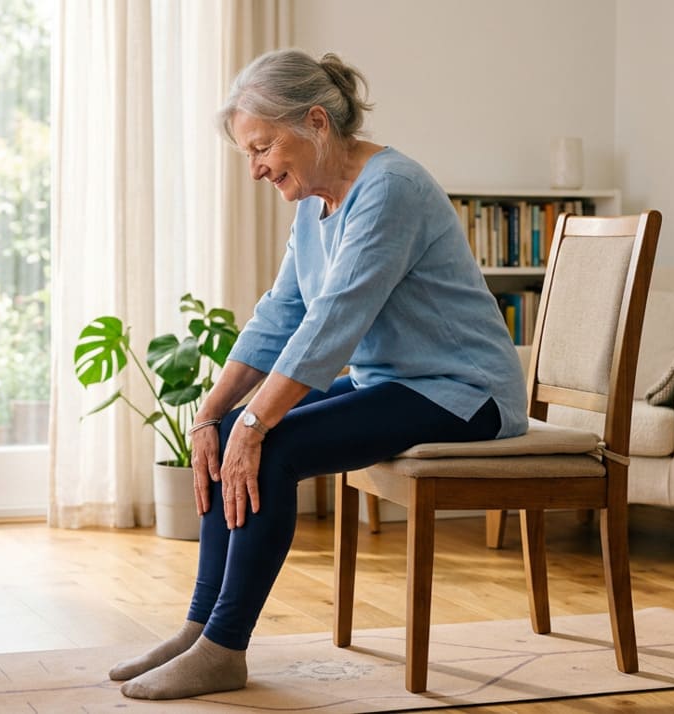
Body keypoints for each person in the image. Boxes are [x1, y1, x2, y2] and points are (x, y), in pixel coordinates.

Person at [110, 48, 528, 701]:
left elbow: (335, 323)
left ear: (315, 122)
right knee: (233, 438)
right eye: (248, 154)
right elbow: (283, 313)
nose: (255, 169)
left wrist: (255, 421)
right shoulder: (314, 203)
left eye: (263, 147)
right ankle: (199, 630)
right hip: (392, 384)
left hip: (465, 391)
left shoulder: (391, 189)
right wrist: (212, 414)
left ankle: (225, 648)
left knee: (269, 447)